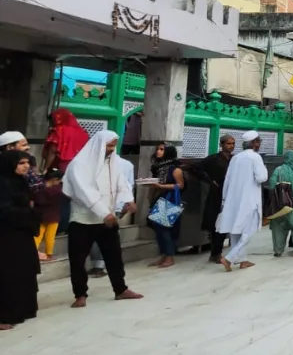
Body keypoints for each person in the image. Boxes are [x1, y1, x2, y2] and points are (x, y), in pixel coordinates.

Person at [62, 130, 143, 307]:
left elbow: (122, 183)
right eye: (108, 146)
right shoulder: (79, 165)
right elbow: (84, 193)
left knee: (114, 257)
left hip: (108, 219)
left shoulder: (113, 163)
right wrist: (103, 212)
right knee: (78, 260)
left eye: (114, 146)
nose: (111, 150)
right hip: (83, 220)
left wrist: (128, 200)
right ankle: (80, 294)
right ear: (99, 145)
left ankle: (120, 289)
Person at [216, 131, 267, 272]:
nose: (259, 144)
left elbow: (227, 180)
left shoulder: (236, 158)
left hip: (233, 200)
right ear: (254, 143)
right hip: (249, 200)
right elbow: (261, 177)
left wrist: (225, 199)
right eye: (258, 141)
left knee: (236, 231)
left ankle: (242, 260)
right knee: (248, 231)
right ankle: (229, 258)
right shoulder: (255, 158)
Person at [0, 150, 39, 329]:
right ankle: (5, 316)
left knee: (25, 271)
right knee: (9, 274)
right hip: (7, 236)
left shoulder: (20, 181)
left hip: (22, 233)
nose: (26, 166)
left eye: (27, 163)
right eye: (21, 163)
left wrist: (31, 213)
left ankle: (24, 309)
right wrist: (28, 212)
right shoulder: (3, 183)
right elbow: (4, 210)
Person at [187, 134, 234, 263]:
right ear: (222, 145)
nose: (230, 146)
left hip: (230, 195)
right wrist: (209, 180)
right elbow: (195, 168)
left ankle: (218, 252)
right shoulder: (213, 159)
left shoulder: (234, 160)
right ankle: (215, 253)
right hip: (216, 195)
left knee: (226, 223)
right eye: (228, 143)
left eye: (232, 144)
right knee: (215, 224)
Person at [147, 144, 185, 268]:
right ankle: (164, 255)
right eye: (157, 149)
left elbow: (180, 185)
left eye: (162, 149)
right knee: (158, 229)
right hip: (158, 198)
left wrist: (161, 187)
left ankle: (169, 257)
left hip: (170, 199)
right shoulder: (158, 167)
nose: (158, 151)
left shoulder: (175, 169)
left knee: (164, 228)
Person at [42, 108, 89, 175]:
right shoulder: (83, 132)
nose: (51, 125)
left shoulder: (58, 131)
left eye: (51, 121)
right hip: (81, 168)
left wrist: (45, 169)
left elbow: (52, 152)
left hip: (63, 168)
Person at [33, 168, 64, 261]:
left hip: (41, 216)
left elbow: (38, 201)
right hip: (54, 217)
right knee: (50, 236)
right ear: (55, 180)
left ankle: (33, 252)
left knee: (38, 235)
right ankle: (49, 254)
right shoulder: (59, 189)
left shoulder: (40, 188)